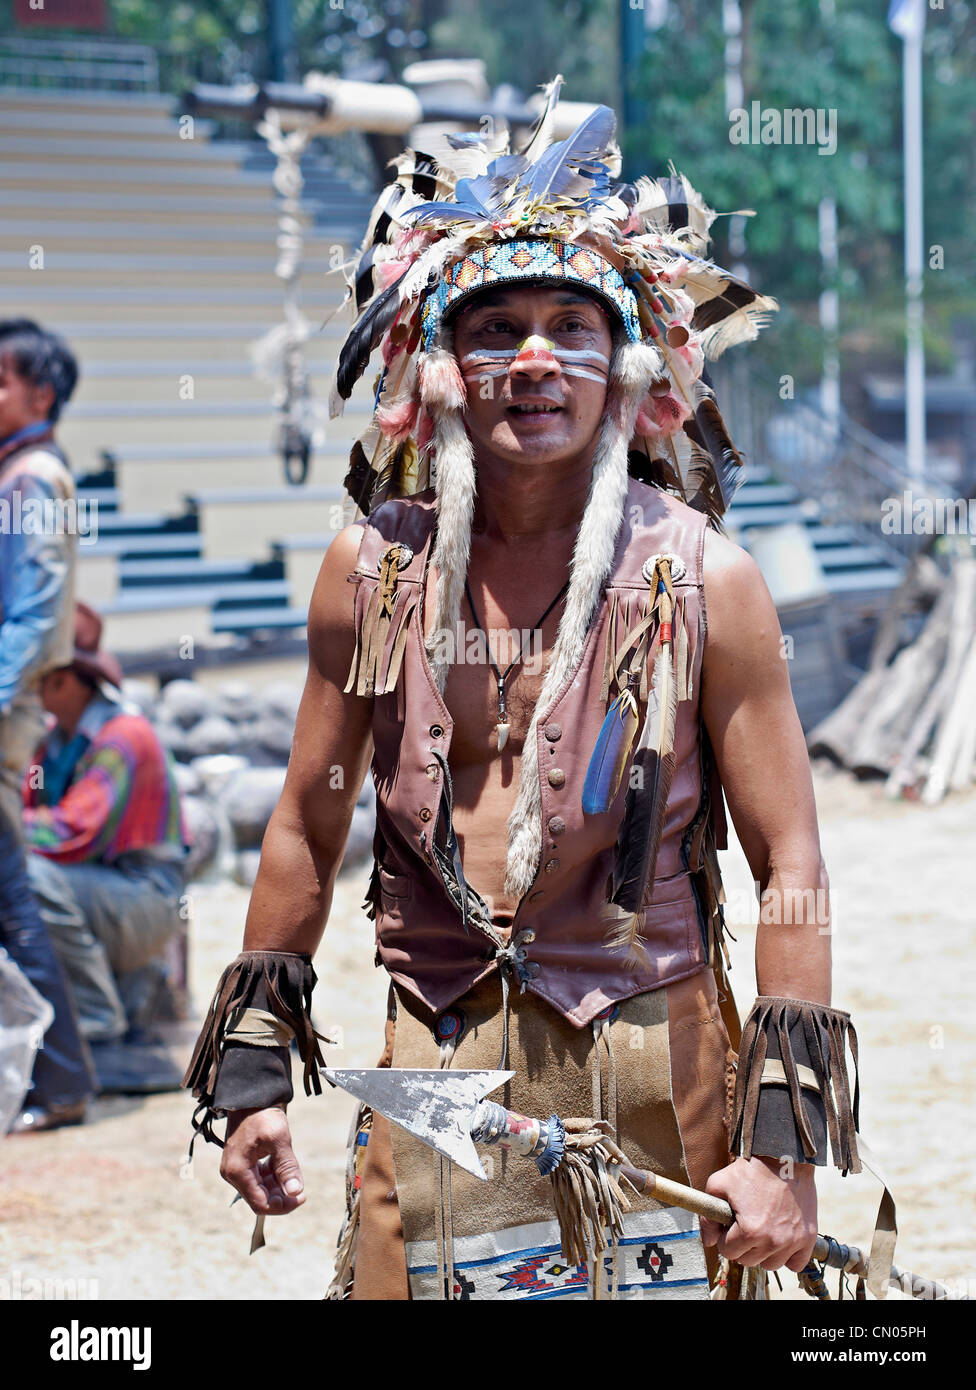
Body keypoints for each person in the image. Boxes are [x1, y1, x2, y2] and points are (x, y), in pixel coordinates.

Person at [184, 85, 863, 1301]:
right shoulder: (372, 567)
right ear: (438, 370)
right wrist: (246, 1066)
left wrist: (783, 1141)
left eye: (572, 325)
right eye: (494, 328)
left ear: (630, 365)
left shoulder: (706, 578)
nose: (536, 358)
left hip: (652, 1055)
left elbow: (791, 857)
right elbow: (304, 818)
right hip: (435, 1058)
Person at [21, 602, 188, 1075]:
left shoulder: (122, 736)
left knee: (28, 877)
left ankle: (97, 1026)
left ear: (62, 680)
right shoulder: (54, 740)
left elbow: (72, 832)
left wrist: (10, 827)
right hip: (103, 889)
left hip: (146, 895)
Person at [0, 317, 96, 1132]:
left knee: (7, 894)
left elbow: (31, 617)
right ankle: (52, 1075)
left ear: (41, 393)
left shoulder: (31, 478)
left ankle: (60, 1078)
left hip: (4, 709)